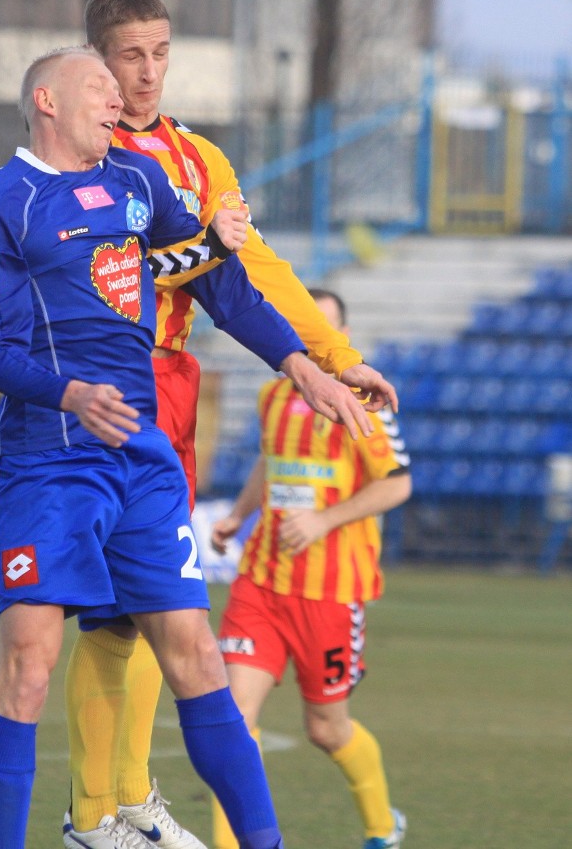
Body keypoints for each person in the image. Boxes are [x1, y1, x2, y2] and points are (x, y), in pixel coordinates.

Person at [64, 0, 400, 848]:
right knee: (118, 613)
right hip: (103, 381)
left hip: (174, 387)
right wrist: (212, 245)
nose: (148, 72)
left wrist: (335, 358)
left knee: (139, 611)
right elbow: (130, 267)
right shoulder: (81, 154)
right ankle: (102, 806)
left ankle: (114, 805)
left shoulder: (201, 158)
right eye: (130, 55)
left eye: (161, 52)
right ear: (96, 59)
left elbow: (255, 275)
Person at [0, 44, 292, 849]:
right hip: (50, 458)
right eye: (100, 87)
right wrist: (68, 391)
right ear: (47, 99)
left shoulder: (141, 183)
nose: (119, 100)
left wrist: (300, 363)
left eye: (121, 88)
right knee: (29, 662)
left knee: (198, 657)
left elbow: (214, 280)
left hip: (142, 460)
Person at [210, 288, 412, 849]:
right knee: (234, 720)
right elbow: (271, 460)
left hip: (331, 589)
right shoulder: (275, 393)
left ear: (341, 338)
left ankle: (380, 827)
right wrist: (237, 515)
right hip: (261, 581)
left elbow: (398, 484)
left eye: (324, 327)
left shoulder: (361, 402)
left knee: (326, 729)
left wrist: (324, 522)